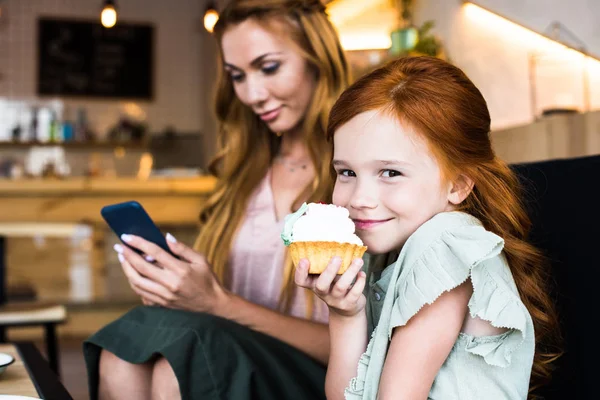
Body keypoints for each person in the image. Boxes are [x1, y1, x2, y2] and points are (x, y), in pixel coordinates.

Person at [83, 1, 351, 399]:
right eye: (237, 76)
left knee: (182, 367)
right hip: (230, 352)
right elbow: (215, 311)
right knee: (123, 353)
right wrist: (178, 290)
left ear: (318, 60)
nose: (252, 94)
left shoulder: (356, 174)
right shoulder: (245, 174)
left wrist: (218, 303)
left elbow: (367, 349)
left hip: (317, 375)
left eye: (269, 67)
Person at [295, 56, 562, 399]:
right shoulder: (387, 249)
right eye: (346, 172)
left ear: (458, 185)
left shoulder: (443, 244)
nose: (359, 198)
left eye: (390, 173)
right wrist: (344, 314)